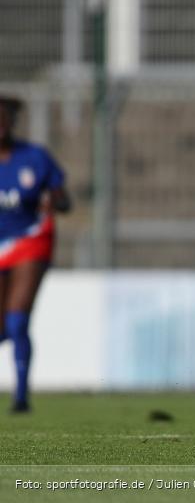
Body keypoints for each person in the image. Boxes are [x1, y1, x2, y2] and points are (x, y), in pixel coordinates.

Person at [0, 95, 71, 413]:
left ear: (12, 122)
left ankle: (21, 396)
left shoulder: (34, 157)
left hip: (31, 240)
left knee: (17, 320)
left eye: (4, 118)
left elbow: (64, 200)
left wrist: (54, 201)